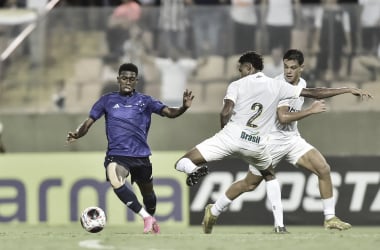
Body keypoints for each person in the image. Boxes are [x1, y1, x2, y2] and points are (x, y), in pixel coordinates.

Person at [173, 51, 372, 232]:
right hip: (271, 141)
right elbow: (283, 117)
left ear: (301, 68)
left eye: (293, 67)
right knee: (249, 185)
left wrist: (346, 89)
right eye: (286, 67)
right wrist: (310, 111)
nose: (288, 71)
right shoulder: (277, 85)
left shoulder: (299, 84)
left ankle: (329, 218)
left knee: (323, 169)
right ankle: (215, 210)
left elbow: (316, 91)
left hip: (292, 139)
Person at [66, 63, 194, 234]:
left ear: (136, 81)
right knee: (114, 178)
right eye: (124, 78)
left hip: (141, 157)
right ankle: (146, 217)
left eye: (132, 79)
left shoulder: (146, 101)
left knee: (149, 196)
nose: (128, 81)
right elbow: (88, 122)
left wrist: (184, 107)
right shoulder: (107, 100)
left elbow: (169, 112)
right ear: (118, 79)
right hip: (117, 155)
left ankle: (151, 216)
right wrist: (77, 133)